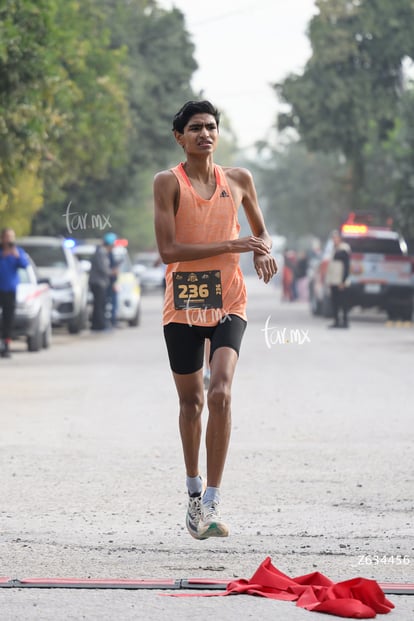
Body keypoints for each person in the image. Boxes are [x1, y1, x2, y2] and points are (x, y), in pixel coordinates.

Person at [153, 100, 278, 540]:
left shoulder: (240, 179)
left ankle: (213, 500)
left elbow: (259, 233)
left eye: (211, 127)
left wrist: (261, 250)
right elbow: (167, 251)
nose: (205, 133)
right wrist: (235, 244)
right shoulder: (168, 183)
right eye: (195, 128)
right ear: (179, 137)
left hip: (228, 299)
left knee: (221, 391)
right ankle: (192, 492)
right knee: (192, 403)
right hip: (185, 301)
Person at [0, 228, 29, 358]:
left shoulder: (17, 251)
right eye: (7, 236)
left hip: (10, 290)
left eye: (12, 237)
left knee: (8, 319)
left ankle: (6, 345)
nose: (10, 239)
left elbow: (24, 264)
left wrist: (16, 255)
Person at [89, 232, 117, 331]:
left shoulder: (103, 252)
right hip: (98, 283)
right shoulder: (101, 252)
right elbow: (103, 268)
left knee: (99, 305)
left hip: (100, 283)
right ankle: (99, 326)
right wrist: (112, 272)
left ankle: (96, 325)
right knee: (99, 305)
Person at [326, 230, 351, 328]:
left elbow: (346, 266)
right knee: (335, 302)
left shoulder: (344, 249)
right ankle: (336, 321)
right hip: (333, 280)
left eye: (336, 238)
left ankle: (345, 321)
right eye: (333, 238)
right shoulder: (333, 249)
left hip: (341, 281)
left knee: (343, 302)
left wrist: (343, 280)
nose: (334, 240)